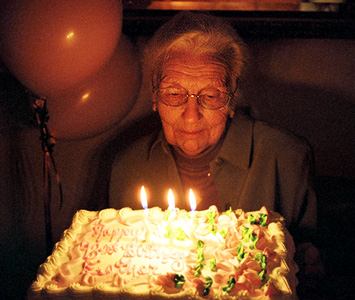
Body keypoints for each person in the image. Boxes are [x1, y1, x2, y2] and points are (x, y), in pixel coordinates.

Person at [109, 11, 324, 297]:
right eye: (174, 94)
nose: (190, 116)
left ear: (232, 99)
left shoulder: (286, 158)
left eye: (210, 96)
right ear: (154, 96)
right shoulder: (128, 166)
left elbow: (309, 268)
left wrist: (312, 265)